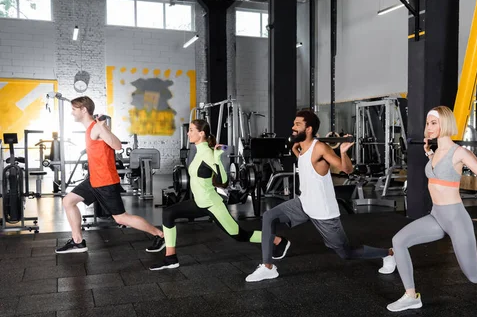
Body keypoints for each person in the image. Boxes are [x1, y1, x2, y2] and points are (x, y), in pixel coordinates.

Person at [386, 106, 477, 312]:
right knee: (399, 241)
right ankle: (411, 296)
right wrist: (430, 155)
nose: (428, 128)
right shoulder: (436, 151)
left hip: (456, 218)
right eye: (428, 123)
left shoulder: (460, 153)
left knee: (475, 276)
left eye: (433, 123)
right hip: (436, 216)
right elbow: (440, 173)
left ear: (445, 124)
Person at [245, 109, 396, 282]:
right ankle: (268, 266)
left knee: (346, 253)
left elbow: (346, 169)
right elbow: (307, 163)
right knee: (269, 217)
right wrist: (296, 151)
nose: (293, 127)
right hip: (304, 204)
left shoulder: (321, 148)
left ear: (308, 129)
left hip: (324, 213)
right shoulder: (303, 146)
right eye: (294, 123)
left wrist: (344, 152)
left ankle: (388, 253)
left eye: (297, 124)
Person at [148, 119, 287, 270]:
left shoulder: (208, 153)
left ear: (201, 134)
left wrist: (218, 158)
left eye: (192, 130)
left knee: (239, 236)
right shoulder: (199, 151)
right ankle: (171, 258)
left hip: (212, 204)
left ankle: (279, 241)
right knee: (168, 213)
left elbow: (224, 180)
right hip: (199, 203)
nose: (188, 133)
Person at [56, 96, 164, 254]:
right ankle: (78, 241)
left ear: (84, 109)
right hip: (94, 179)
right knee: (68, 201)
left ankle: (160, 235)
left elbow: (118, 146)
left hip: (105, 181)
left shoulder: (97, 128)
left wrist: (104, 129)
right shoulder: (92, 128)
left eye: (74, 109)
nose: (72, 113)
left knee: (121, 218)